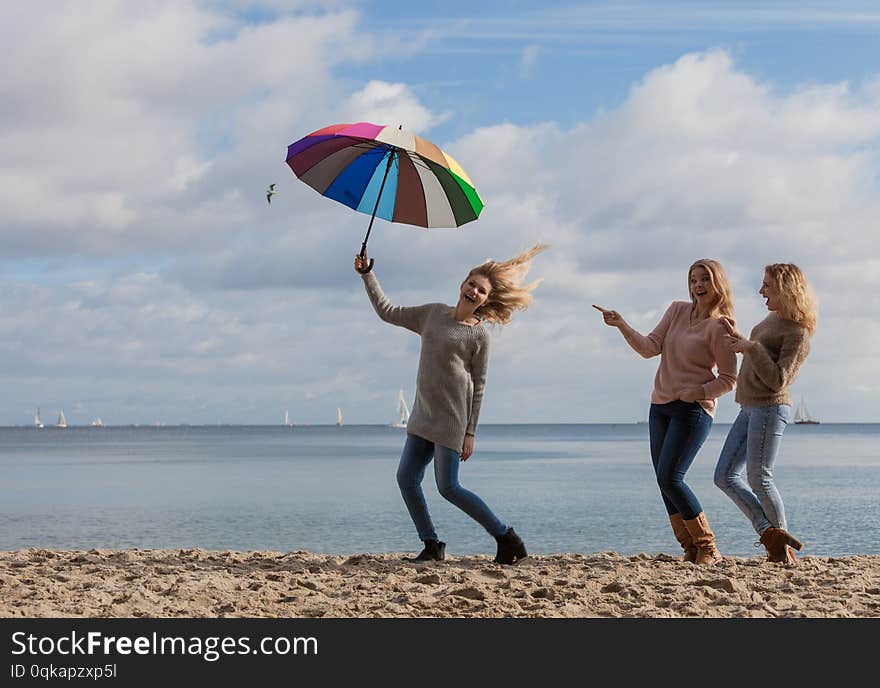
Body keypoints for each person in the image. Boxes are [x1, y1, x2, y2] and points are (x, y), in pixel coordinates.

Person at [354, 244, 548, 565]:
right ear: (462, 284)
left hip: (452, 421)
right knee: (406, 478)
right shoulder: (431, 314)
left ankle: (506, 537)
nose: (474, 291)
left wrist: (470, 432)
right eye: (472, 284)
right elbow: (387, 311)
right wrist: (367, 274)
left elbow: (480, 385)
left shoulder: (480, 336)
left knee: (449, 487)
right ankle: (432, 545)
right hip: (423, 414)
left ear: (485, 300)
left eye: (482, 291)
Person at [593, 259, 737, 565]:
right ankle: (689, 547)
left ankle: (708, 546)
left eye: (704, 280)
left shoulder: (721, 327)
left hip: (693, 410)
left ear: (717, 285)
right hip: (659, 406)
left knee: (672, 477)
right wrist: (622, 325)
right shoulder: (676, 310)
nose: (698, 286)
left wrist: (698, 392)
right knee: (663, 480)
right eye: (694, 280)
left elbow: (729, 379)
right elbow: (649, 348)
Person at [714, 263, 817, 565]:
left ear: (785, 289)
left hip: (770, 408)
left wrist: (750, 347)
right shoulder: (772, 319)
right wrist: (740, 339)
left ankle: (780, 543)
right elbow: (759, 353)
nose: (761, 291)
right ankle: (771, 533)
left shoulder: (798, 334)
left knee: (759, 478)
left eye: (767, 285)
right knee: (723, 476)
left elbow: (778, 379)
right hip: (749, 407)